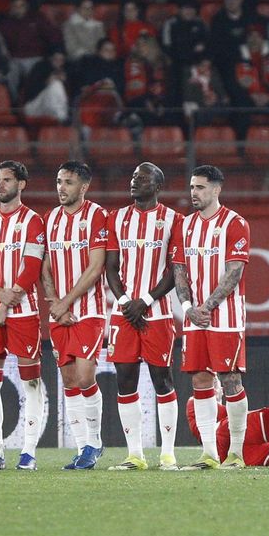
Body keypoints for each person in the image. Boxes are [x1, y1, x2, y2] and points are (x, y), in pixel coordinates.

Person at [170, 164, 251, 469]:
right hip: (194, 317)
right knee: (200, 379)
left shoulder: (235, 223)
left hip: (226, 317)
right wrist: (188, 306)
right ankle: (209, 454)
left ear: (216, 190)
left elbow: (235, 272)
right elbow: (179, 270)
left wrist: (208, 307)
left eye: (200, 187)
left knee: (231, 380)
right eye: (192, 187)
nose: (194, 193)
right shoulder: (184, 225)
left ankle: (237, 453)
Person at [0, 160, 48, 471]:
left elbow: (30, 270)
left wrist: (4, 302)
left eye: (6, 180)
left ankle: (28, 452)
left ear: (21, 184)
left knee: (31, 382)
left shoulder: (32, 221)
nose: (0, 185)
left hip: (23, 311)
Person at [104, 162, 184, 470]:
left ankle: (167, 454)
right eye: (134, 176)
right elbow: (111, 266)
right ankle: (134, 454)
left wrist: (146, 300)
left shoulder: (173, 220)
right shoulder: (117, 218)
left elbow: (174, 269)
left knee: (162, 380)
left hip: (158, 314)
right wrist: (126, 301)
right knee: (125, 381)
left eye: (143, 177)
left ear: (158, 186)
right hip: (123, 313)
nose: (135, 181)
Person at [40, 161, 111, 470]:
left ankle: (95, 443)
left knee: (85, 376)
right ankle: (83, 449)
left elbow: (96, 267)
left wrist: (66, 302)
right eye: (58, 181)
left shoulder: (97, 216)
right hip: (60, 311)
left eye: (68, 182)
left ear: (83, 187)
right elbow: (45, 266)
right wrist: (55, 301)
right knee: (68, 379)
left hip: (90, 311)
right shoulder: (50, 219)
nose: (61, 187)